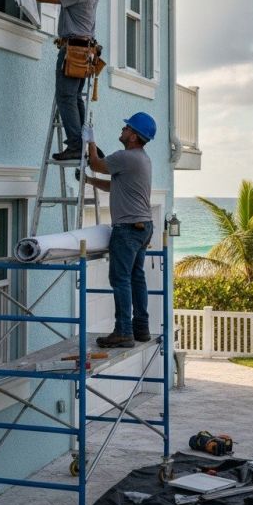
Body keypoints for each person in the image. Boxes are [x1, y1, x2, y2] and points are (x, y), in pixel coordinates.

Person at [9, 0, 108, 161]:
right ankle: (86, 145)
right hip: (85, 52)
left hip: (73, 51)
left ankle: (75, 145)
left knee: (66, 97)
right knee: (75, 99)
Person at [81, 112, 156, 348]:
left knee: (120, 279)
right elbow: (113, 185)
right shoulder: (141, 159)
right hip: (143, 227)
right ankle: (140, 328)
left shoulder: (126, 157)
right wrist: (88, 181)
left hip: (127, 229)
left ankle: (123, 331)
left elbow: (96, 164)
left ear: (133, 136)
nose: (122, 130)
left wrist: (90, 141)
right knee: (136, 277)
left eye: (126, 128)